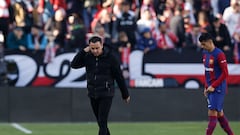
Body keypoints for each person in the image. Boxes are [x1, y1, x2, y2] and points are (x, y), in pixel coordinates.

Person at [70, 36, 130, 135]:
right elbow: (74, 64)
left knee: (102, 121)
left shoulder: (111, 58)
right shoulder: (88, 57)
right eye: (92, 48)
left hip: (106, 93)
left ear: (102, 45)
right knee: (101, 123)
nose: (95, 51)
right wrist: (84, 51)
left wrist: (125, 94)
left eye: (97, 48)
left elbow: (119, 77)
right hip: (92, 93)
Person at [198, 32, 234, 135]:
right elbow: (207, 72)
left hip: (218, 88)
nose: (202, 46)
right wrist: (206, 86)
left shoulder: (219, 54)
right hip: (210, 88)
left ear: (210, 42)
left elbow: (225, 73)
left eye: (203, 44)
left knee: (212, 113)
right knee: (219, 114)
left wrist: (213, 86)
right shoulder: (205, 54)